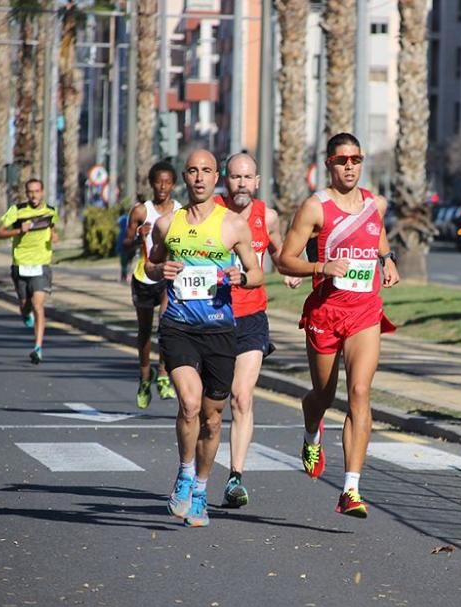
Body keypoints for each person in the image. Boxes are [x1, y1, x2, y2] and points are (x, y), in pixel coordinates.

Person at [276, 132, 400, 519]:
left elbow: (374, 229)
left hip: (364, 311)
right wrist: (320, 267)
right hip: (326, 312)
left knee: (360, 391)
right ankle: (311, 430)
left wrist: (388, 258)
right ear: (328, 164)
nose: (350, 166)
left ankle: (351, 490)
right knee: (323, 395)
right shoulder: (315, 208)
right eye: (342, 160)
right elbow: (284, 260)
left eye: (356, 159)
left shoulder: (374, 202)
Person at [144, 149, 263, 527]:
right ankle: (183, 472)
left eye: (207, 171)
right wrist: (160, 267)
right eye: (193, 171)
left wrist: (242, 278)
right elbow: (149, 263)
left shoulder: (233, 225)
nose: (199, 178)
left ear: (217, 178)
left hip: (219, 331)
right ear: (185, 176)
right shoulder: (167, 224)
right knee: (190, 404)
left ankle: (199, 488)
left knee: (213, 420)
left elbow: (257, 272)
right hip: (178, 326)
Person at [214, 152, 301, 507]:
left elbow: (279, 252)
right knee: (208, 406)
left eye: (248, 177)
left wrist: (289, 270)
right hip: (212, 315)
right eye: (235, 177)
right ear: (226, 179)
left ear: (258, 181)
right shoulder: (212, 212)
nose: (241, 184)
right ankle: (193, 467)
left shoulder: (269, 216)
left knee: (242, 396)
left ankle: (235, 477)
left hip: (252, 317)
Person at [124, 164, 180, 408]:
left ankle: (164, 374)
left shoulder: (180, 212)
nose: (163, 187)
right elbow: (124, 243)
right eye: (159, 182)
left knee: (166, 326)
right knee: (145, 331)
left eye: (167, 182)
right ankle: (145, 376)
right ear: (152, 183)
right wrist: (138, 235)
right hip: (144, 276)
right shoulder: (140, 211)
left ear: (173, 185)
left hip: (168, 276)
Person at [0, 178, 59, 364]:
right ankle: (24, 312)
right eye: (30, 192)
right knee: (25, 304)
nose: (34, 195)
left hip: (42, 264)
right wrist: (18, 231)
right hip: (20, 264)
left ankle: (38, 348)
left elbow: (53, 228)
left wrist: (54, 235)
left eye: (37, 191)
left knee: (39, 305)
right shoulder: (17, 210)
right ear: (26, 193)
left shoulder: (51, 211)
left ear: (43, 192)